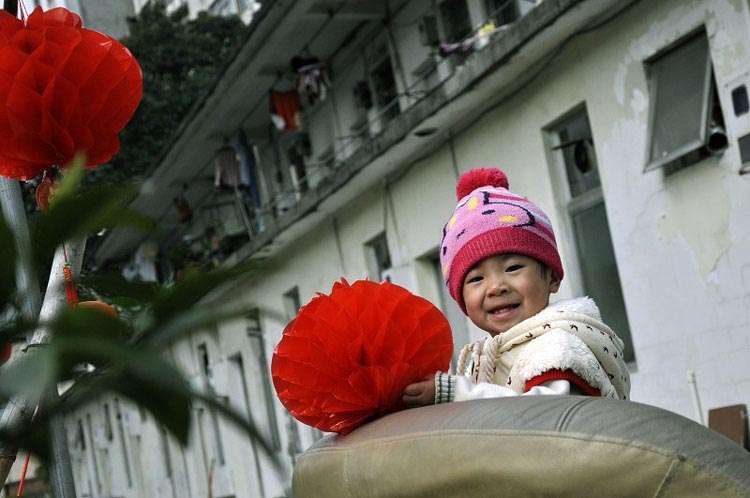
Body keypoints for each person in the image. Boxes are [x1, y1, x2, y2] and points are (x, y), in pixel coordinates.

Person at [402, 168, 630, 407]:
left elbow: (545, 413)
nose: (496, 287)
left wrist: (455, 393)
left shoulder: (558, 346)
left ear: (552, 278)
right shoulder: (485, 360)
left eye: (512, 268)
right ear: (462, 301)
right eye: (476, 279)